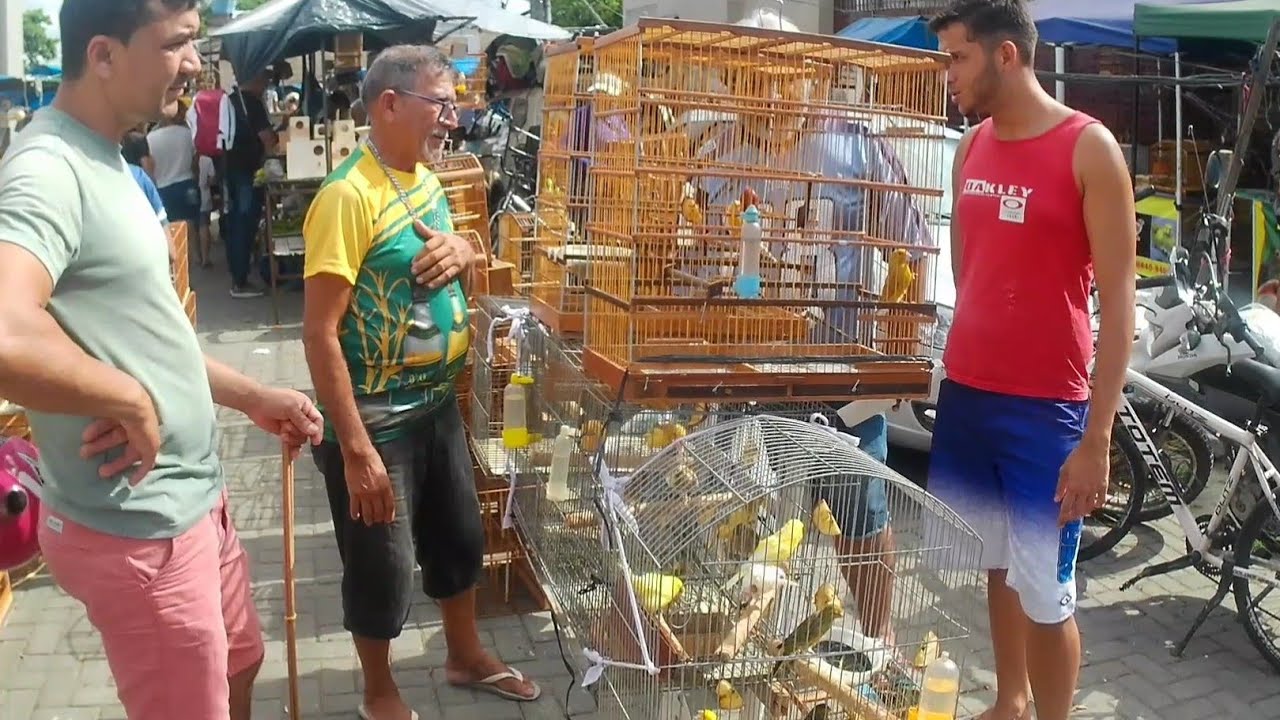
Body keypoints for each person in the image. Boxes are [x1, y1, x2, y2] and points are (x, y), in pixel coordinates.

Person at [0, 3, 325, 719]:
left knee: (242, 662)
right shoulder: (48, 167)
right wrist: (129, 399)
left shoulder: (106, 155)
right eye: (176, 43)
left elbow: (147, 338)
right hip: (140, 529)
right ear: (106, 56)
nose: (191, 62)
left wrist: (249, 396)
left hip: (193, 505)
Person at [301, 44, 541, 720]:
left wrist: (466, 248)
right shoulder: (347, 197)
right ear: (390, 105)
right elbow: (319, 333)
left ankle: (464, 657)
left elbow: (458, 256)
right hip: (375, 423)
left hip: (436, 407)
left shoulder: (426, 181)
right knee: (380, 564)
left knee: (459, 540)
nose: (454, 118)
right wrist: (354, 451)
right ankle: (381, 695)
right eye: (442, 103)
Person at [925, 3, 1136, 719]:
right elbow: (968, 268)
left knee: (1046, 589)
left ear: (1005, 55)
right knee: (994, 558)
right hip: (969, 394)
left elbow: (1120, 302)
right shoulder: (970, 147)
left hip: (1046, 408)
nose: (947, 74)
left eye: (957, 58)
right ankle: (1010, 700)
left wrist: (1097, 438)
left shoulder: (1088, 148)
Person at [224, 69, 276, 298]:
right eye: (264, 79)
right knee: (245, 223)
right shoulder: (252, 103)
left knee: (236, 221)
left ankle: (238, 274)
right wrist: (270, 156)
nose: (266, 85)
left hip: (229, 170)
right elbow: (267, 138)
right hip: (247, 171)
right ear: (254, 79)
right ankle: (240, 281)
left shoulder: (230, 101)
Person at [148, 96, 202, 228]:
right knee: (191, 228)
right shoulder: (188, 134)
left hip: (163, 188)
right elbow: (196, 160)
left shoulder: (150, 138)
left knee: (170, 230)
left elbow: (150, 166)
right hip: (186, 184)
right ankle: (193, 249)